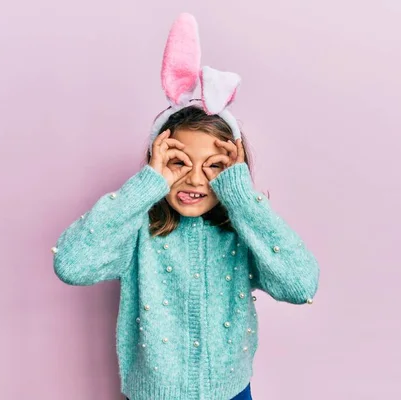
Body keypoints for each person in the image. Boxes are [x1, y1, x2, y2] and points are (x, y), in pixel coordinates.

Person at [51, 13, 319, 400]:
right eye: (179, 162)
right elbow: (72, 265)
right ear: (157, 162)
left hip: (231, 393)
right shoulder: (137, 228)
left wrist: (243, 200)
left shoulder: (244, 230)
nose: (195, 180)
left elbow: (300, 285)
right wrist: (145, 186)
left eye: (214, 168)